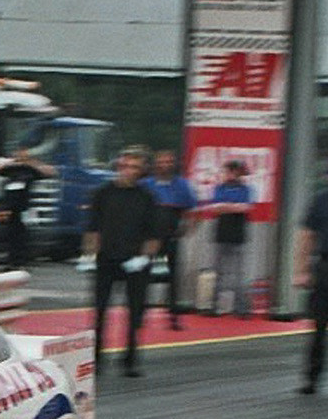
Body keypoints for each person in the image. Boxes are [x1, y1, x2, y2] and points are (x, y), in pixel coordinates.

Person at [81, 148, 164, 377]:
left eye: (134, 167)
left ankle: (130, 359)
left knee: (136, 312)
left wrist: (144, 258)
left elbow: (154, 234)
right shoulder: (102, 193)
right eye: (125, 166)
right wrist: (89, 256)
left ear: (141, 171)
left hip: (135, 261)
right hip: (107, 258)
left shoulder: (147, 197)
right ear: (118, 166)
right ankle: (96, 358)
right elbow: (93, 228)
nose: (128, 171)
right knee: (99, 310)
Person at [291, 154, 328, 395]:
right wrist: (302, 269)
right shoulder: (321, 200)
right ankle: (312, 378)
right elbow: (306, 236)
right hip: (327, 265)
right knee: (319, 324)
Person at [142, 149, 196, 329]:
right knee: (143, 275)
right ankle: (139, 314)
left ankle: (173, 316)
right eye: (161, 162)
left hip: (172, 238)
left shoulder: (182, 185)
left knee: (173, 277)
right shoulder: (145, 184)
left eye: (168, 162)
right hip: (148, 238)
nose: (165, 165)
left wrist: (186, 229)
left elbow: (191, 210)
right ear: (155, 164)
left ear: (174, 164)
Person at [0, 145, 56, 270]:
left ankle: (20, 262)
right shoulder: (12, 169)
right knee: (11, 235)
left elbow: (50, 172)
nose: (20, 155)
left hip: (23, 208)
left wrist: (30, 162)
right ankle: (12, 262)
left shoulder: (30, 170)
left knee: (21, 235)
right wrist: (13, 162)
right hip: (10, 207)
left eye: (23, 153)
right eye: (19, 153)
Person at [207, 159, 255, 318]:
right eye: (226, 171)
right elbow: (215, 208)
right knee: (219, 272)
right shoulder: (219, 188)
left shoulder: (245, 189)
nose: (227, 174)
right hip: (221, 234)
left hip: (238, 235)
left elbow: (246, 207)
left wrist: (227, 206)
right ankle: (215, 306)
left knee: (239, 273)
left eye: (229, 171)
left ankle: (241, 308)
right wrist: (234, 206)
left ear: (236, 172)